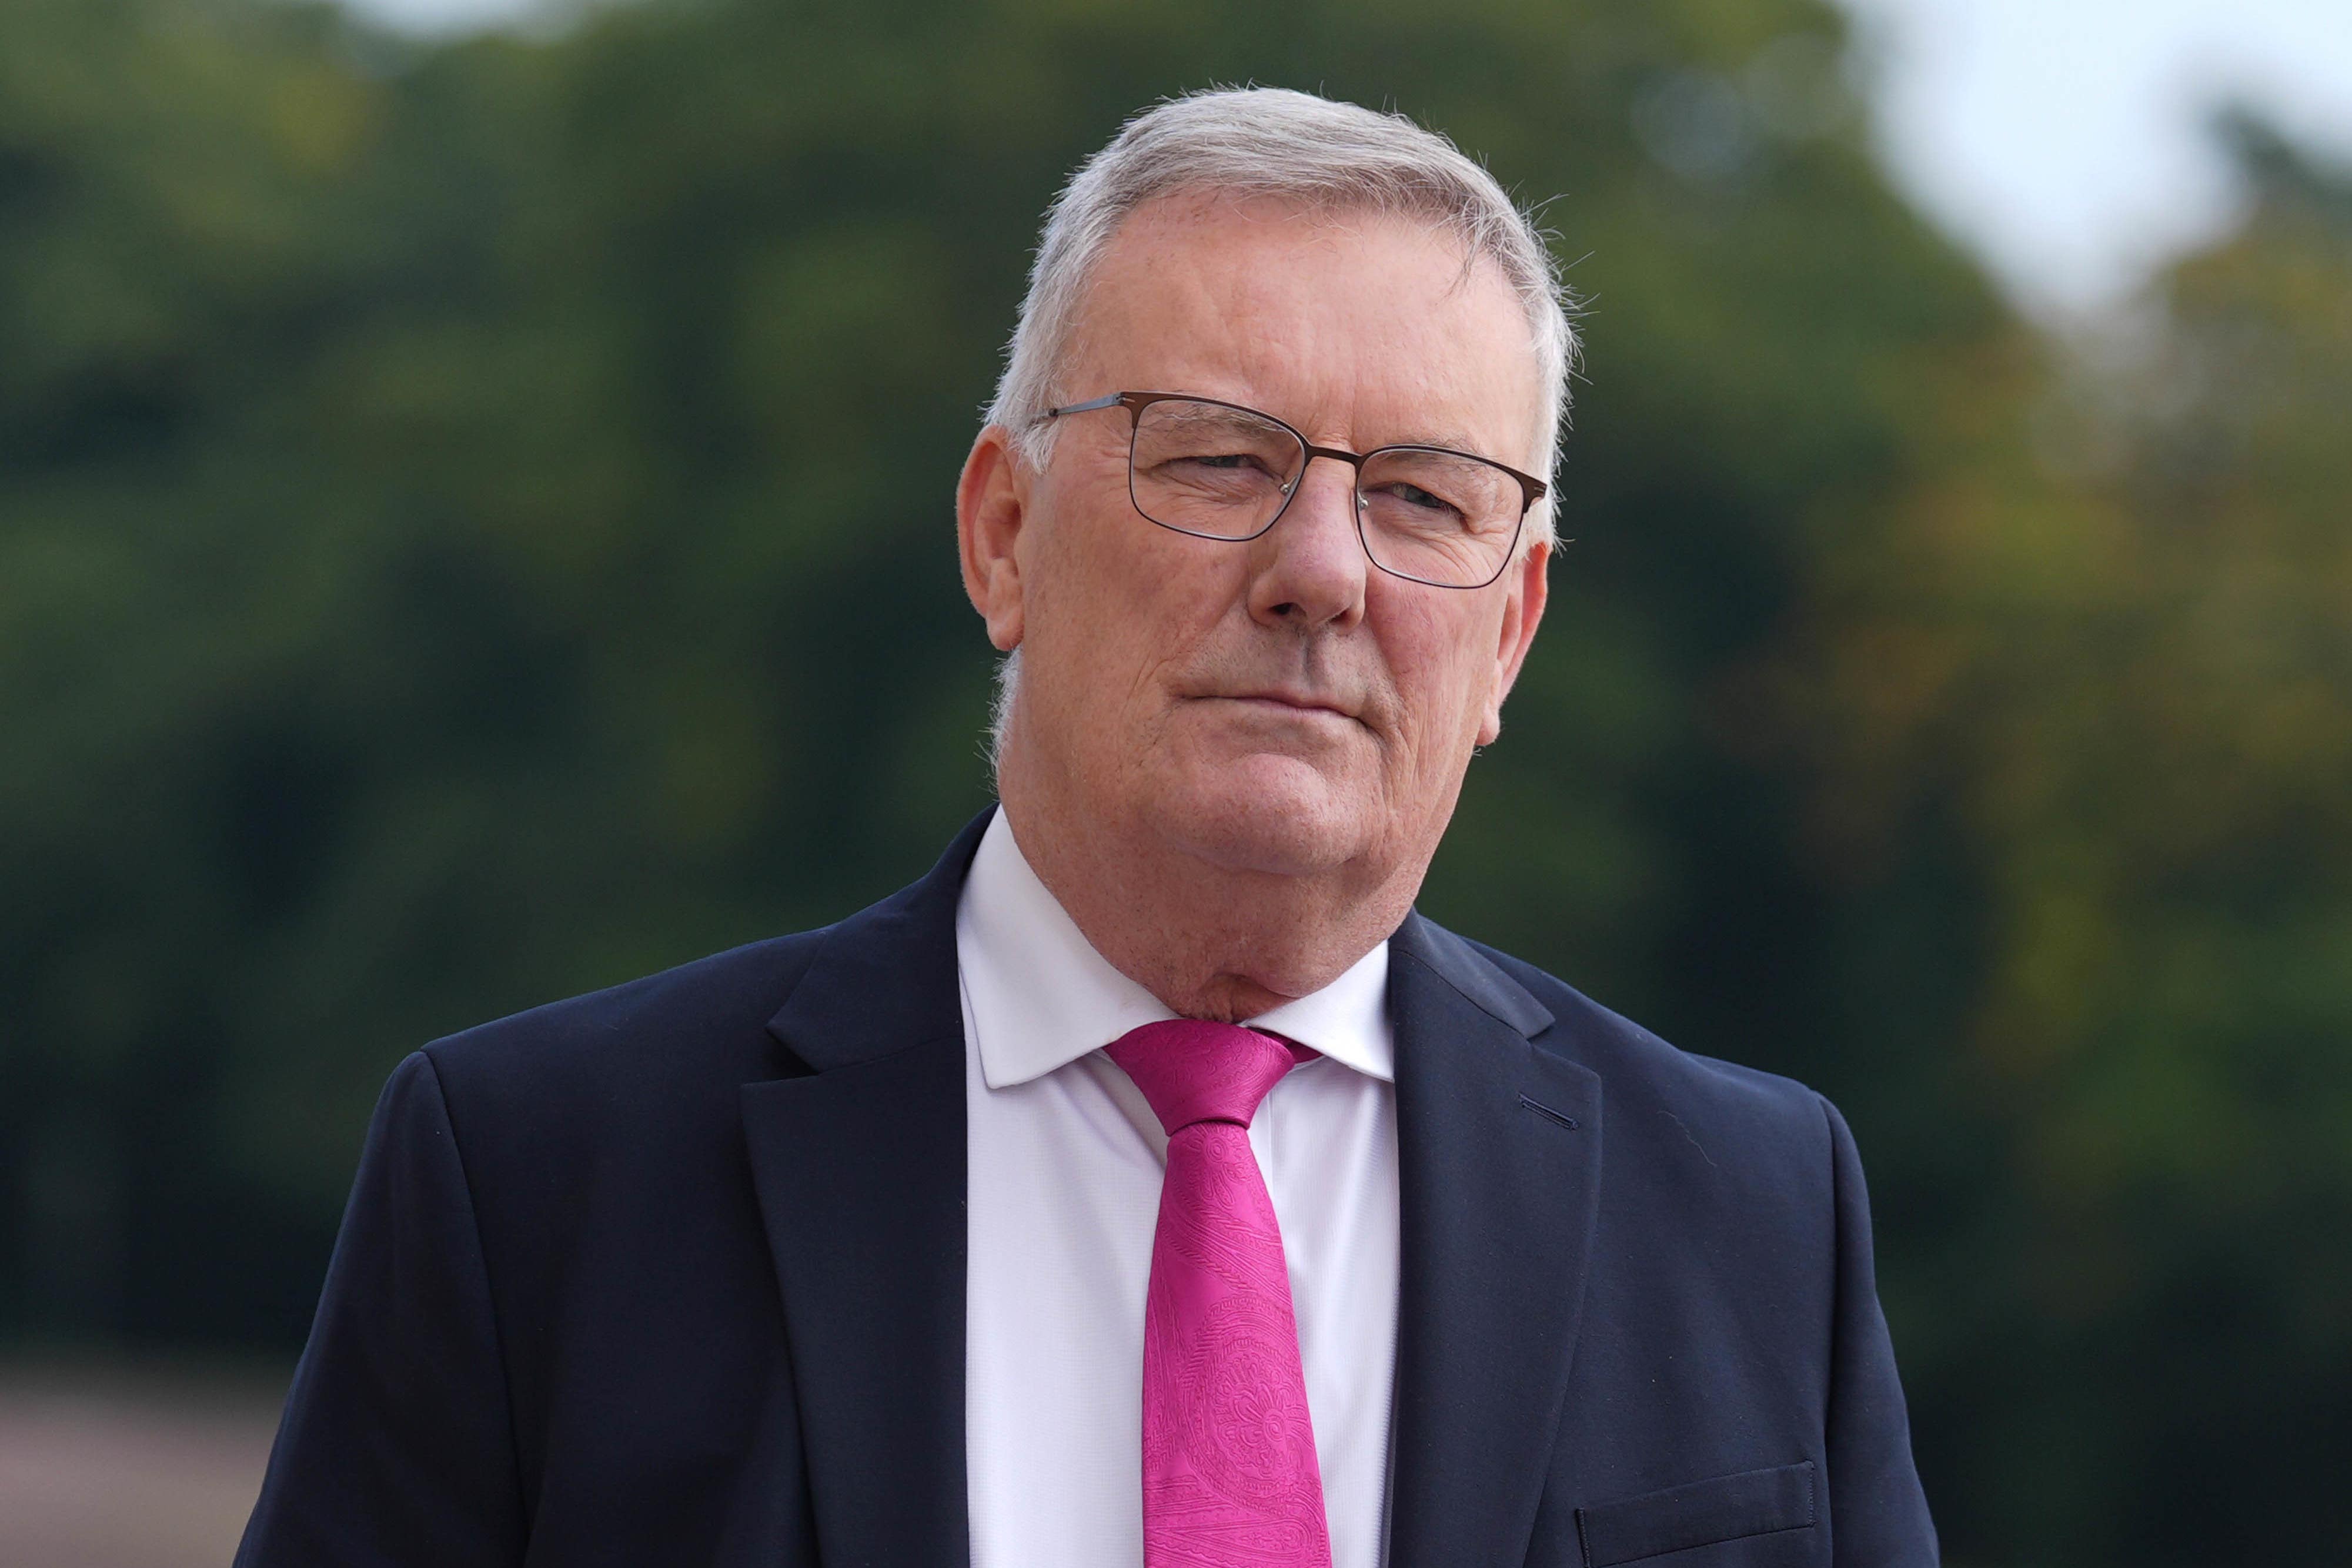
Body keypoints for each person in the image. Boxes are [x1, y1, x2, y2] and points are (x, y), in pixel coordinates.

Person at [237, 86, 1936, 1568]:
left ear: (1511, 631)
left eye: (1423, 496)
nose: (1324, 573)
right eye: (1215, 460)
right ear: (1001, 534)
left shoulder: (1755, 1215)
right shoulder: (537, 1183)